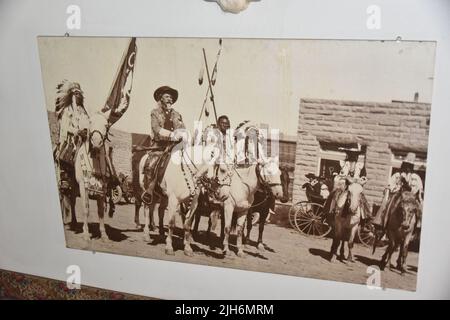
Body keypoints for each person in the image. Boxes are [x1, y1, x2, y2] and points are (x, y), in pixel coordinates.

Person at [141, 86, 186, 205]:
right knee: (152, 164)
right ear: (161, 98)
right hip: (159, 146)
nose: (169, 99)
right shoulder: (154, 113)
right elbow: (156, 129)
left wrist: (182, 134)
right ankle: (149, 190)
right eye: (167, 97)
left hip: (174, 147)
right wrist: (172, 135)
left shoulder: (177, 114)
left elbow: (182, 128)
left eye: (171, 97)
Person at [54, 80, 90, 196]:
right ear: (71, 95)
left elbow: (86, 123)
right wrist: (76, 131)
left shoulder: (83, 112)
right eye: (75, 93)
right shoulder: (66, 111)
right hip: (69, 142)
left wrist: (85, 130)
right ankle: (64, 178)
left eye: (78, 93)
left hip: (82, 142)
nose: (77, 95)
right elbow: (65, 127)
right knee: (67, 154)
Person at [372, 152, 424, 231]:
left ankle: (418, 226)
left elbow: (418, 189)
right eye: (406, 165)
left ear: (412, 167)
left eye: (410, 166)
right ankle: (383, 223)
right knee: (387, 204)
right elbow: (390, 185)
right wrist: (396, 188)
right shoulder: (397, 175)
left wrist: (416, 194)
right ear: (403, 165)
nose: (407, 168)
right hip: (398, 194)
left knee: (419, 207)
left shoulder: (415, 177)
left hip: (411, 197)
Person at [323, 143, 371, 224]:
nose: (352, 160)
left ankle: (365, 219)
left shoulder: (361, 166)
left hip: (355, 187)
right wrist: (344, 178)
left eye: (355, 157)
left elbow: (363, 177)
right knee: (332, 195)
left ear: (357, 157)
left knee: (362, 199)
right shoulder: (342, 164)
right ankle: (328, 214)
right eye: (351, 156)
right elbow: (336, 174)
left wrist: (359, 180)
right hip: (343, 186)